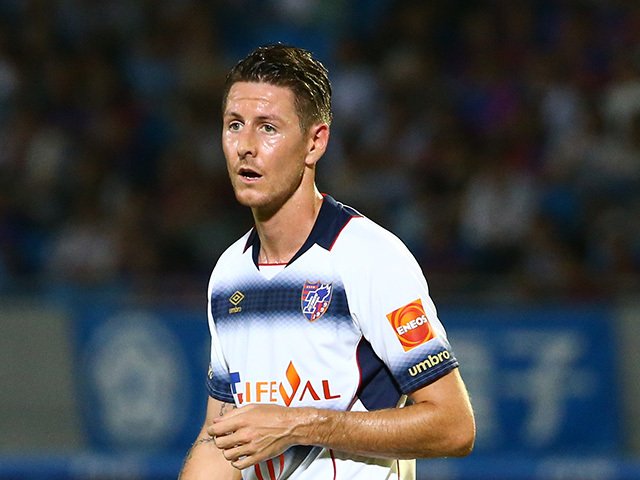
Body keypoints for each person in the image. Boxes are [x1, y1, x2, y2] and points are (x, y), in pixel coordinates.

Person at [179, 43, 475, 480]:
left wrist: (300, 424)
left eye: (268, 128)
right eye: (234, 125)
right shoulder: (228, 274)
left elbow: (453, 426)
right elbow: (220, 437)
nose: (245, 147)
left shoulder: (368, 257)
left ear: (315, 142)